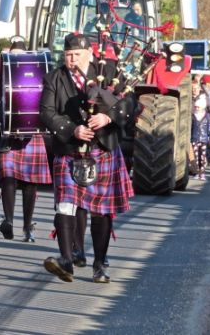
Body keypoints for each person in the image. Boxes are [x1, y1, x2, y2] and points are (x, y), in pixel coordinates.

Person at [40, 33, 134, 283]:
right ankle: (66, 260)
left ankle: (99, 264)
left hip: (102, 148)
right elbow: (46, 112)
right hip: (69, 149)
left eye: (77, 55)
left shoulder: (109, 71)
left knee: (101, 211)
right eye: (68, 55)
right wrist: (72, 130)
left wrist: (108, 117)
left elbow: (130, 102)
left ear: (90, 54)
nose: (72, 60)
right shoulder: (54, 78)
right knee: (65, 204)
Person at [0, 40, 52, 242]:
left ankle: (23, 224)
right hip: (11, 134)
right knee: (11, 178)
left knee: (24, 182)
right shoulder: (1, 78)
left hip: (27, 134)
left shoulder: (37, 75)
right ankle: (12, 222)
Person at [191, 84, 210, 180]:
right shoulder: (193, 116)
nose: (196, 108)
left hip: (204, 139)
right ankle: (197, 173)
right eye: (195, 107)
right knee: (196, 157)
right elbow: (191, 128)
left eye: (198, 107)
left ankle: (202, 173)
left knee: (203, 157)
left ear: (202, 107)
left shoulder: (207, 116)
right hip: (195, 139)